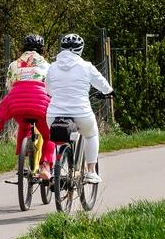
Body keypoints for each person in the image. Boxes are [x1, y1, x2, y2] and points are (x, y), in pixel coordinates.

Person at [44, 32, 113, 182]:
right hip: (81, 113)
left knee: (58, 138)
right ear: (80, 49)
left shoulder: (52, 67)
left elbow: (48, 90)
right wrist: (109, 92)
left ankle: (57, 166)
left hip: (54, 115)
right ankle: (91, 171)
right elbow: (102, 84)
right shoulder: (86, 66)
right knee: (91, 134)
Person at [0, 33, 54, 180]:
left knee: (24, 126)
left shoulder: (13, 65)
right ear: (43, 50)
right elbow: (53, 89)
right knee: (49, 135)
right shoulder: (48, 66)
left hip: (16, 103)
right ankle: (46, 166)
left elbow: (9, 86)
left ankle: (22, 161)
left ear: (23, 48)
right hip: (40, 104)